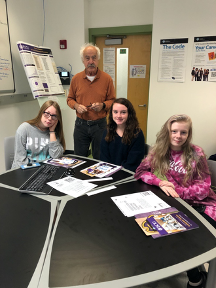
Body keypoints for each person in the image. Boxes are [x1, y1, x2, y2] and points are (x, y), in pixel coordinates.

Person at [134, 114, 216, 288]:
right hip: (176, 203)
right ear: (168, 132)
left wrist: (176, 191)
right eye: (174, 131)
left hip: (201, 206)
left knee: (185, 240)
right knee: (148, 227)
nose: (178, 136)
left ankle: (196, 279)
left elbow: (204, 189)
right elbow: (140, 172)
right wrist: (160, 182)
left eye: (183, 132)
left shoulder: (196, 153)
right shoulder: (159, 150)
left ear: (188, 134)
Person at [67, 43, 116, 159]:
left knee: (100, 158)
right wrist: (76, 106)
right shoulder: (76, 79)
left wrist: (103, 105)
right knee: (79, 159)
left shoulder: (107, 79)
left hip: (100, 125)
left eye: (94, 57)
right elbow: (69, 99)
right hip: (80, 125)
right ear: (83, 60)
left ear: (98, 59)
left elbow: (113, 100)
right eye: (87, 58)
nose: (91, 61)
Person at [12, 100, 66, 169]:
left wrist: (52, 132)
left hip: (46, 170)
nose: (50, 118)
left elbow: (56, 156)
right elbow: (19, 161)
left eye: (54, 116)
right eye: (47, 113)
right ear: (41, 113)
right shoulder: (24, 129)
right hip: (25, 170)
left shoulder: (54, 132)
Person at [100, 98, 145, 172]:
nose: (119, 116)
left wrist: (117, 173)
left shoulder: (137, 134)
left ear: (129, 114)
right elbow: (104, 157)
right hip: (108, 172)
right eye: (115, 112)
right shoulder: (107, 132)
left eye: (123, 112)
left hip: (127, 174)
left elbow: (133, 163)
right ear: (111, 113)